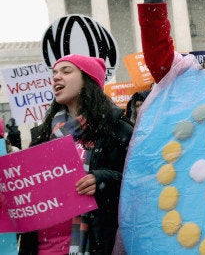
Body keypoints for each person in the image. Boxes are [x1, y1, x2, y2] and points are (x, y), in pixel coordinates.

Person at [18, 54, 133, 255]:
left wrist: (102, 179)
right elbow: (32, 194)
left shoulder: (116, 130)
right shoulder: (44, 136)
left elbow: (138, 184)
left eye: (66, 71)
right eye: (54, 73)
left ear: (88, 80)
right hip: (43, 248)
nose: (56, 77)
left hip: (92, 245)